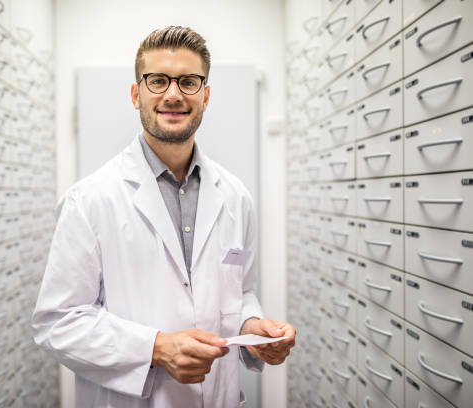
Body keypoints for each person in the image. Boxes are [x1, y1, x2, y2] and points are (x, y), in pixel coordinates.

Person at [32, 26, 296, 408]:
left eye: (188, 82)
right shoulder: (91, 200)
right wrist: (155, 348)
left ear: (205, 96)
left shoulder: (236, 196)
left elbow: (240, 293)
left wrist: (251, 329)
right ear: (136, 94)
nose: (173, 94)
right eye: (158, 80)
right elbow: (57, 322)